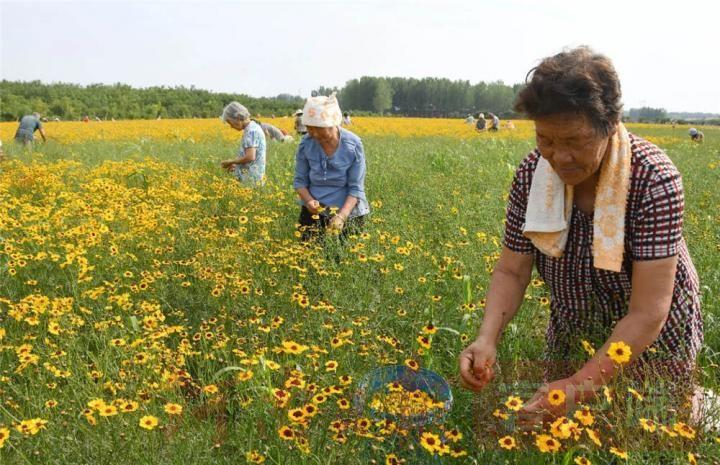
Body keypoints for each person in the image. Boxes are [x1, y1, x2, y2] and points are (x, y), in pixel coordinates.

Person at [459, 47, 703, 427]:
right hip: (576, 320)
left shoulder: (654, 179)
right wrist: (487, 337)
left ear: (611, 123)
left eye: (575, 140)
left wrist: (579, 384)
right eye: (546, 140)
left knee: (649, 430)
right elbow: (512, 270)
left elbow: (647, 313)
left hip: (647, 333)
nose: (560, 158)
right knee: (565, 433)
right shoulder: (531, 174)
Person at [293, 92, 370, 241]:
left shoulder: (353, 145)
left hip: (347, 212)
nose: (313, 133)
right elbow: (300, 181)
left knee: (342, 260)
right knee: (306, 258)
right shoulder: (305, 144)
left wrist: (341, 217)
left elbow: (356, 188)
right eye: (309, 128)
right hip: (313, 212)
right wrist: (308, 201)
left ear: (333, 123)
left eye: (318, 128)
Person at [219, 102, 267, 186]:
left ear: (237, 118)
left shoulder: (251, 131)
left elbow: (250, 157)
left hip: (251, 181)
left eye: (230, 123)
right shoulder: (252, 128)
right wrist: (236, 165)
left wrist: (230, 162)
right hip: (251, 178)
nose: (231, 126)